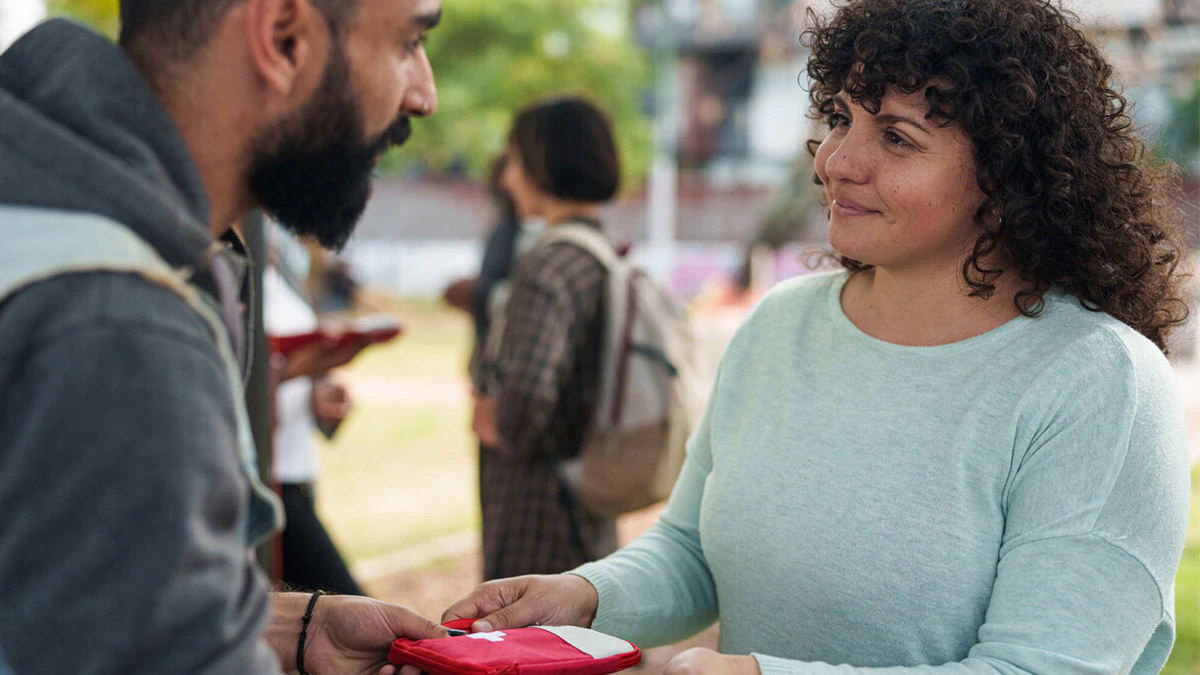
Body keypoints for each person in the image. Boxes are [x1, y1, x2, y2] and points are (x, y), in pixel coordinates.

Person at [444, 2, 1193, 674]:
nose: (835, 161)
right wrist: (582, 595)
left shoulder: (1099, 383)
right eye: (840, 120)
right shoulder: (781, 324)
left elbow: (1044, 668)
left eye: (896, 137)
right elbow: (693, 550)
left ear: (1009, 176)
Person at [0, 0, 444, 673]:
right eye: (408, 42)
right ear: (283, 38)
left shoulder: (39, 204)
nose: (425, 95)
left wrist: (286, 626)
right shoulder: (118, 324)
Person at [472, 97, 624, 580]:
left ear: (545, 162)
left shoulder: (546, 265)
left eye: (516, 160)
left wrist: (495, 416)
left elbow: (523, 401)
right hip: (590, 499)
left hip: (536, 514)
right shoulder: (601, 253)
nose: (507, 177)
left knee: (528, 645)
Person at [266, 224, 367, 597]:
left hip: (297, 470)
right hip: (265, 482)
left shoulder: (282, 271)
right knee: (349, 608)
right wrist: (290, 371)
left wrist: (319, 397)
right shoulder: (216, 271)